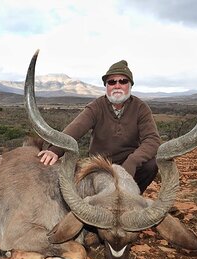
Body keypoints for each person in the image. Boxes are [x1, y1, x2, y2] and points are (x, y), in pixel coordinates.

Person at [38, 60, 161, 194]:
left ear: (130, 85)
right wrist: (55, 150)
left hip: (129, 164)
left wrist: (132, 162)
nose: (117, 85)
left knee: (151, 165)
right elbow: (76, 127)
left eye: (123, 81)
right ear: (106, 86)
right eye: (112, 82)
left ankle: (133, 196)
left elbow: (152, 140)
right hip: (100, 163)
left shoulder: (140, 108)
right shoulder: (96, 106)